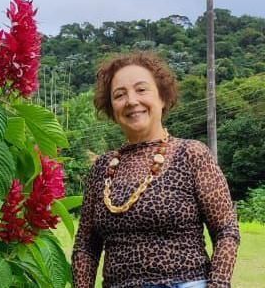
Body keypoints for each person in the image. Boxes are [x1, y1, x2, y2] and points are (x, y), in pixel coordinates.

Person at [72, 52, 239, 288]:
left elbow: (226, 230)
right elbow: (85, 247)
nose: (131, 101)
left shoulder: (192, 154)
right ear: (112, 108)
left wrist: (218, 284)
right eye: (119, 95)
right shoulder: (102, 168)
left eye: (141, 90)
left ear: (162, 97)